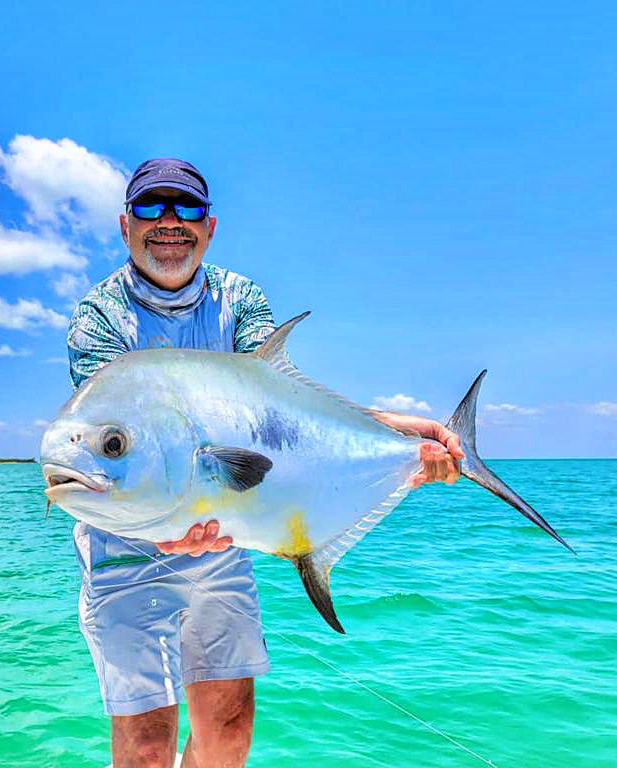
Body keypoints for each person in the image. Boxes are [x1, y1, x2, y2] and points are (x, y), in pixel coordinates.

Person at [67, 158, 464, 768]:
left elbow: (282, 410)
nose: (169, 223)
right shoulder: (98, 318)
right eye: (151, 208)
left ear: (210, 225)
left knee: (227, 730)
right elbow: (111, 448)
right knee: (147, 746)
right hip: (124, 551)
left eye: (186, 209)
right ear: (125, 226)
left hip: (223, 537)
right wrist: (158, 524)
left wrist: (397, 436)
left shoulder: (240, 298)